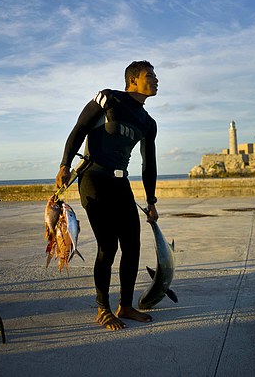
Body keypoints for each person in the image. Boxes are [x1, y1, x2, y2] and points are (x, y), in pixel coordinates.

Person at [55, 60, 159, 331]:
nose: (156, 79)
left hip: (120, 183)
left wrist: (151, 201)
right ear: (133, 80)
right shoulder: (109, 98)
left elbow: (149, 164)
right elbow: (79, 128)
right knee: (108, 246)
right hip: (93, 178)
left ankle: (124, 305)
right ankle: (102, 308)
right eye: (150, 75)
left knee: (132, 246)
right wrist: (65, 165)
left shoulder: (148, 122)